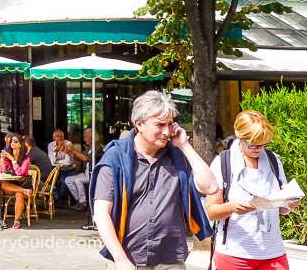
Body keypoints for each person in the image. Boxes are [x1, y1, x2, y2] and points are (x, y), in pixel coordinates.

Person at [89, 91, 217, 270]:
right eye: (159, 125)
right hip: (131, 258)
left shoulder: (177, 156)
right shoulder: (115, 158)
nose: (166, 132)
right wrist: (120, 259)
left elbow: (211, 187)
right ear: (140, 124)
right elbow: (101, 212)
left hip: (171, 257)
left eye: (170, 124)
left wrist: (185, 145)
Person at [206, 110, 299, 270]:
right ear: (239, 136)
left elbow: (281, 210)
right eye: (253, 144)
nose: (258, 149)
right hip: (235, 253)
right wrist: (232, 207)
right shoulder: (222, 163)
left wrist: (289, 203)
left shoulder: (273, 160)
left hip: (272, 251)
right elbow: (212, 212)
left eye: (263, 144)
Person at [0, 132, 32, 230]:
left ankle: (16, 221)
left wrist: (13, 159)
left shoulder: (26, 158)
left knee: (19, 194)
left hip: (22, 182)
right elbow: (2, 172)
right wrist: (2, 160)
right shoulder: (7, 157)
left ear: (20, 144)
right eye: (11, 142)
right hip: (10, 184)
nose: (12, 143)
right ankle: (22, 190)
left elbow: (20, 173)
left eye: (15, 141)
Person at [64, 129, 97, 212]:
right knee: (68, 180)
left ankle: (83, 202)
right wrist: (68, 152)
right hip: (86, 173)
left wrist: (72, 149)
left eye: (86, 137)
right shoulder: (88, 148)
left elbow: (86, 158)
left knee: (78, 180)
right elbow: (79, 157)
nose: (84, 139)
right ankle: (79, 200)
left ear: (92, 138)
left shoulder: (97, 147)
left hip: (93, 174)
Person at [48, 129, 76, 205]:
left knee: (64, 180)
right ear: (54, 138)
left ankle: (60, 200)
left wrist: (58, 162)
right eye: (57, 136)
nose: (60, 138)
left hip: (68, 169)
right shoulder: (51, 145)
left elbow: (68, 161)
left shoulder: (68, 144)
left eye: (61, 136)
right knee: (49, 181)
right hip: (55, 169)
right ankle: (53, 198)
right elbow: (52, 161)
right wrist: (57, 148)